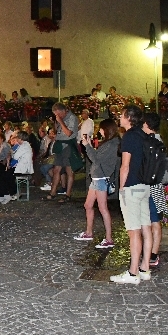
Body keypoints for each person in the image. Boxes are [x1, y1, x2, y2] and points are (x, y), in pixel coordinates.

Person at [110, 105, 153, 285]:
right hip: (145, 186)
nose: (119, 117)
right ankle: (144, 269)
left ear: (128, 117)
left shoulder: (129, 136)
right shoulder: (144, 135)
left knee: (133, 231)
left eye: (121, 115)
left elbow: (125, 165)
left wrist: (122, 188)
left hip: (132, 187)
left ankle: (132, 273)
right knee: (146, 227)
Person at [75, 119, 120, 248]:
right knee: (88, 205)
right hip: (97, 178)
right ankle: (89, 232)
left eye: (101, 128)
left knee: (103, 208)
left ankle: (109, 239)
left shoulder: (110, 144)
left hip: (101, 178)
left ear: (107, 129)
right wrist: (89, 145)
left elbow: (95, 159)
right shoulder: (108, 143)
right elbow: (97, 157)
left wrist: (87, 146)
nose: (99, 130)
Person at [142, 113, 165, 268]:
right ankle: (152, 254)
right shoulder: (159, 140)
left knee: (153, 221)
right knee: (154, 221)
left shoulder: (151, 141)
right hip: (158, 184)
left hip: (151, 185)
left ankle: (152, 254)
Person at [45, 102, 79, 203]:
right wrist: (55, 122)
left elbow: (68, 133)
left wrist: (61, 121)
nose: (57, 116)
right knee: (56, 169)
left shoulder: (72, 118)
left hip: (68, 145)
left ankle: (67, 194)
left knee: (69, 171)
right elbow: (58, 131)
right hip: (60, 145)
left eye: (57, 114)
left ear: (62, 111)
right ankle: (53, 192)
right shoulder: (60, 118)